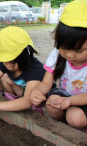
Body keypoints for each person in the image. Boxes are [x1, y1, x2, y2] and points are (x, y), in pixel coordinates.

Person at [30, 0, 87, 129]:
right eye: (64, 47)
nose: (70, 55)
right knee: (51, 104)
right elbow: (46, 83)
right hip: (65, 94)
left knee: (75, 118)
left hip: (83, 100)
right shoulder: (57, 54)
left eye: (78, 50)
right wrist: (37, 91)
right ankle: (65, 127)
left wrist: (71, 101)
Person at [0, 26, 46, 113]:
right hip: (22, 93)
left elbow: (27, 102)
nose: (7, 65)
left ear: (23, 57)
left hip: (35, 101)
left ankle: (31, 111)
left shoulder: (35, 70)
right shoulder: (8, 63)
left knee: (31, 102)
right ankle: (13, 104)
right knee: (4, 78)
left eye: (11, 62)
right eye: (5, 61)